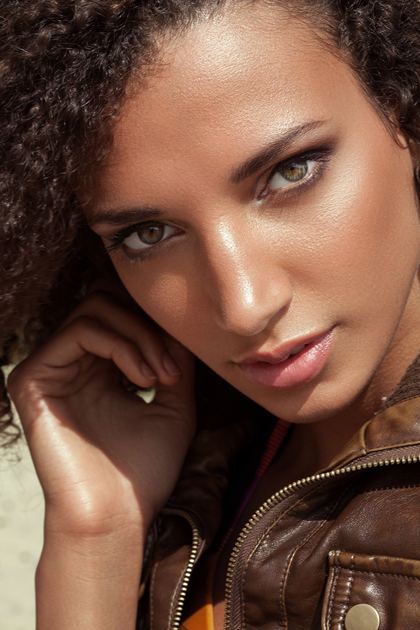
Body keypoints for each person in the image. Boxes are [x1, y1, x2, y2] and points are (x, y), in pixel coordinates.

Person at [1, 0, 419, 628]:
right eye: (147, 234)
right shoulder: (207, 454)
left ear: (403, 112)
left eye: (291, 172)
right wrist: (97, 536)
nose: (243, 308)